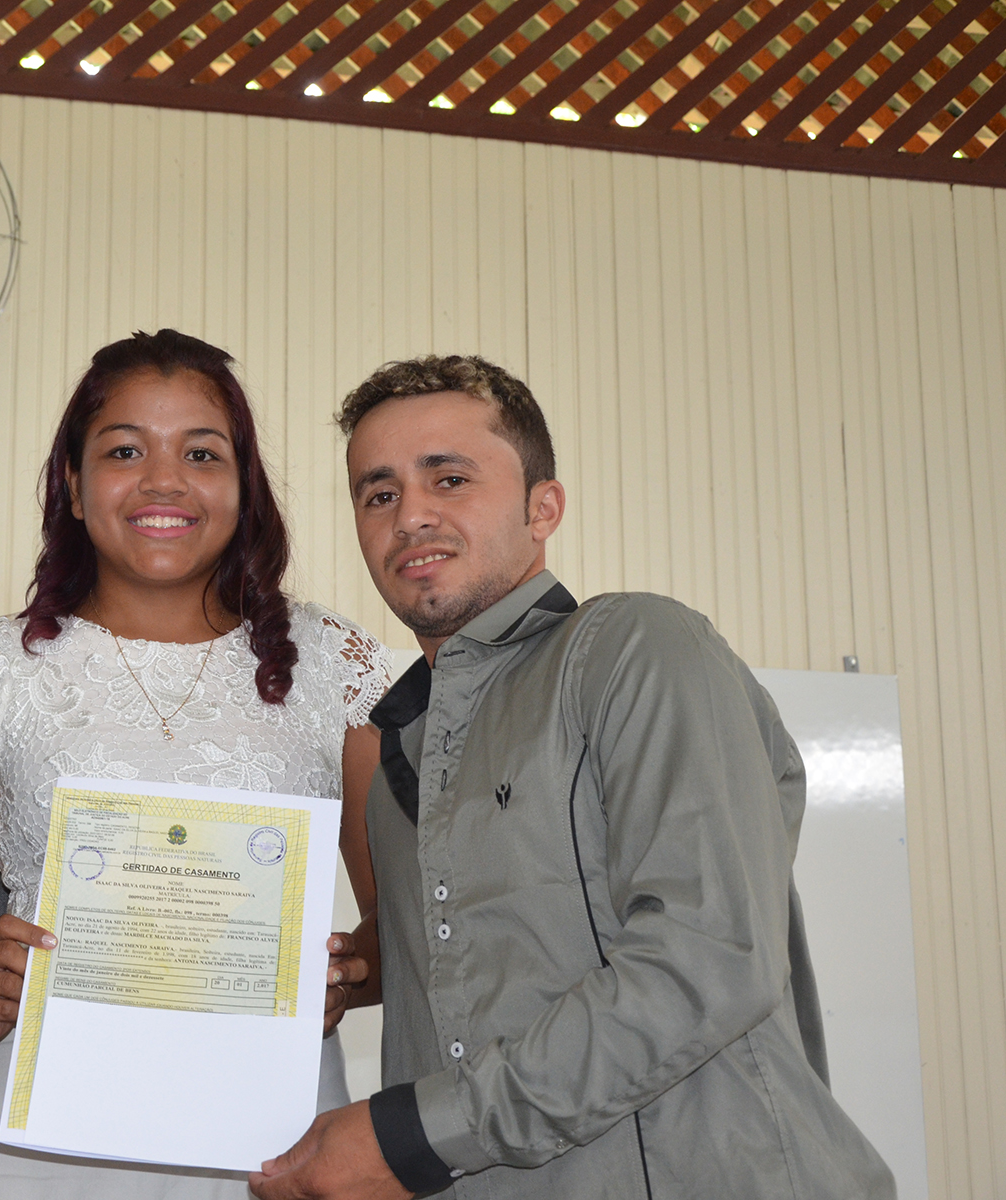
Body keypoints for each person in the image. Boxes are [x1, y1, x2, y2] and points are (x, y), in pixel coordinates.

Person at [251, 355, 895, 1200]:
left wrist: (410, 1137)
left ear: (542, 507)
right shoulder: (396, 750)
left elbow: (708, 955)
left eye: (449, 479)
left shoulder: (637, 648)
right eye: (379, 494)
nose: (411, 515)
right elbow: (453, 978)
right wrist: (312, 982)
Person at [0, 329, 391, 1199]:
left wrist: (347, 976)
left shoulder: (336, 669)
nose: (164, 481)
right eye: (125, 450)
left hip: (266, 1136)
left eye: (201, 453)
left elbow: (413, 924)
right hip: (38, 1145)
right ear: (73, 483)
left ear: (244, 484)